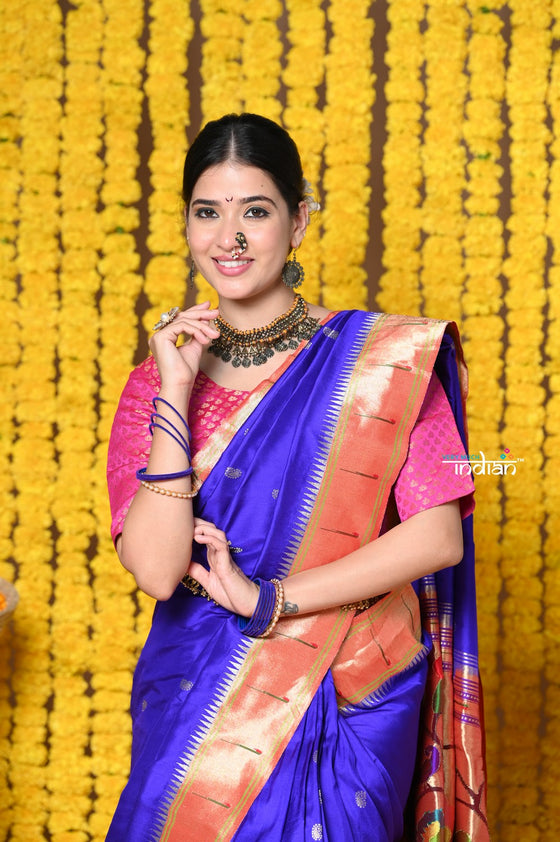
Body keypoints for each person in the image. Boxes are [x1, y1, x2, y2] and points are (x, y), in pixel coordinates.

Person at [106, 113, 489, 841]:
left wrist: (270, 600)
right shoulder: (152, 384)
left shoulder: (388, 361)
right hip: (195, 699)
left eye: (255, 211)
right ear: (185, 225)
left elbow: (438, 537)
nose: (229, 238)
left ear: (300, 222)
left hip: (347, 684)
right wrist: (175, 391)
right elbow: (156, 570)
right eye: (207, 213)